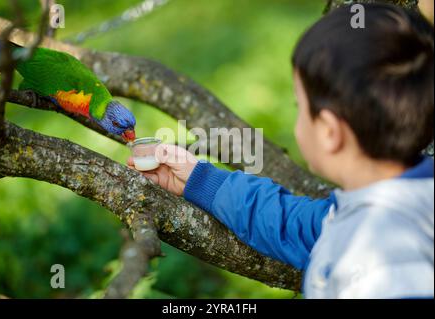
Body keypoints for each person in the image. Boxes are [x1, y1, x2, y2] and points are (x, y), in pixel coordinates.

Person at [128, 4, 434, 298]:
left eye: (300, 108)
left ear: (329, 132)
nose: (298, 117)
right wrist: (200, 180)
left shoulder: (387, 259)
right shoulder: (379, 210)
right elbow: (291, 224)